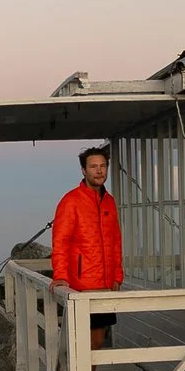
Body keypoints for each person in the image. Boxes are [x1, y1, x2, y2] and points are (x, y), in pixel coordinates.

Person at [51, 145, 123, 350]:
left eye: (103, 166)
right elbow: (60, 241)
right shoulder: (71, 201)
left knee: (97, 342)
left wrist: (117, 276)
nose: (99, 171)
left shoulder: (109, 201)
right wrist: (60, 276)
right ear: (83, 170)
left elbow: (115, 241)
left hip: (106, 284)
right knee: (85, 344)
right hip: (81, 284)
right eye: (93, 166)